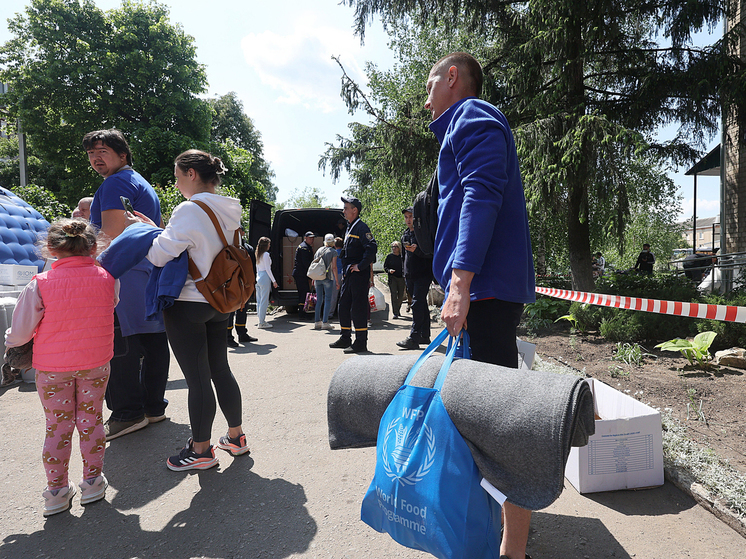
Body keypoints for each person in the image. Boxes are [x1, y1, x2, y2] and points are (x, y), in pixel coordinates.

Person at [425, 52, 536, 559]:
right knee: (481, 419)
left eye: (431, 85)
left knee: (497, 425)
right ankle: (494, 534)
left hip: (484, 295)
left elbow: (480, 195)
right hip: (482, 294)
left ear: (453, 78)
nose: (426, 99)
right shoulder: (459, 127)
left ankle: (513, 551)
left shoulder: (472, 115)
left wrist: (460, 283)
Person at [125, 149, 250, 471]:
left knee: (197, 379)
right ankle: (236, 437)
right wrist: (164, 229)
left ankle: (201, 450)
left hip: (188, 302)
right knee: (220, 369)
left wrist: (147, 232)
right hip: (220, 300)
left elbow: (159, 255)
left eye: (178, 175)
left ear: (191, 174)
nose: (177, 181)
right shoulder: (230, 208)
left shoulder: (189, 209)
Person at [4, 219, 118, 515]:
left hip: (52, 366)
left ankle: (56, 491)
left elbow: (20, 333)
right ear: (93, 247)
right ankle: (92, 483)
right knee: (91, 420)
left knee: (58, 426)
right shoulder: (108, 278)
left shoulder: (39, 284)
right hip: (96, 361)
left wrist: (10, 342)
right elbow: (110, 306)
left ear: (51, 249)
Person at [82, 129, 170, 441]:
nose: (95, 158)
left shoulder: (115, 182)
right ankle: (153, 407)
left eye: (102, 151)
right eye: (91, 153)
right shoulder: (139, 181)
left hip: (123, 272)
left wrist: (86, 270)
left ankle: (127, 413)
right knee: (154, 340)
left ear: (123, 155)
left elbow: (109, 235)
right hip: (148, 270)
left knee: (121, 341)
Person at [329, 196, 378, 353]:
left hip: (358, 275)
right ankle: (345, 337)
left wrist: (361, 266)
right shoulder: (350, 227)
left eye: (346, 208)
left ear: (354, 210)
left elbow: (372, 248)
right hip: (349, 274)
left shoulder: (362, 228)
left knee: (358, 308)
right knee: (343, 306)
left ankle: (361, 342)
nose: (343, 211)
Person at [397, 206, 433, 349]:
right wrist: (404, 273)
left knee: (417, 304)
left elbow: (430, 254)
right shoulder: (405, 234)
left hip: (423, 274)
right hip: (410, 275)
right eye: (406, 217)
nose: (408, 220)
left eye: (410, 217)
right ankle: (425, 335)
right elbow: (403, 257)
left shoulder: (423, 234)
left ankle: (414, 338)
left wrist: (417, 250)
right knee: (421, 305)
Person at [227, 233, 258, 345]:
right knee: (232, 310)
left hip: (243, 283)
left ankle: (241, 334)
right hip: (234, 283)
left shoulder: (246, 248)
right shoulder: (229, 247)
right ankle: (229, 336)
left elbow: (253, 268)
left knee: (242, 309)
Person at [313, 233, 340, 330]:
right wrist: (337, 281)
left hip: (318, 278)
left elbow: (315, 265)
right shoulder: (333, 251)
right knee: (328, 300)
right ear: (333, 242)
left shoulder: (319, 250)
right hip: (327, 278)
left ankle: (317, 322)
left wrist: (313, 278)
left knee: (319, 300)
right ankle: (325, 322)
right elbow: (334, 267)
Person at [255, 236, 278, 329]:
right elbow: (268, 269)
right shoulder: (266, 255)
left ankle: (260, 319)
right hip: (264, 277)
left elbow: (257, 267)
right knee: (264, 300)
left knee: (259, 300)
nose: (269, 246)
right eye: (269, 244)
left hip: (258, 276)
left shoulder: (258, 254)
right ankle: (262, 322)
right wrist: (274, 281)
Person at [292, 232, 315, 318]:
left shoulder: (306, 246)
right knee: (303, 293)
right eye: (310, 238)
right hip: (300, 274)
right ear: (305, 238)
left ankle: (304, 311)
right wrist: (312, 274)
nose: (312, 240)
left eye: (313, 238)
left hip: (301, 274)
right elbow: (306, 263)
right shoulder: (304, 248)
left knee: (304, 293)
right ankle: (302, 313)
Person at [384, 241, 406, 318]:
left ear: (399, 248)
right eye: (392, 247)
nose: (394, 248)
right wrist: (389, 270)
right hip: (392, 278)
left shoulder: (402, 257)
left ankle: (398, 309)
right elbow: (385, 267)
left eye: (395, 247)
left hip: (401, 278)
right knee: (394, 295)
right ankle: (395, 313)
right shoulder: (389, 257)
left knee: (400, 296)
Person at [328, 236, 344, 320]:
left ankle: (330, 313)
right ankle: (342, 312)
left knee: (333, 295)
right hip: (344, 275)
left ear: (334, 245)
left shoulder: (333, 253)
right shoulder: (345, 253)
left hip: (335, 275)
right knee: (343, 296)